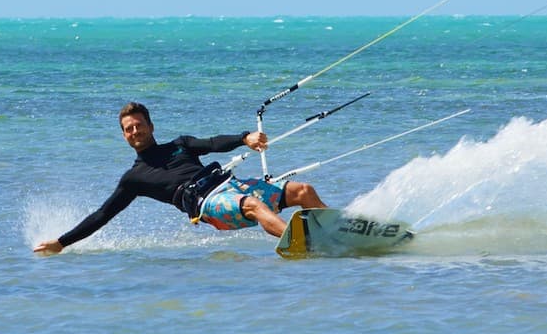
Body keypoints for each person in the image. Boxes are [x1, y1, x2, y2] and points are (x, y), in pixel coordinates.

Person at [33, 101, 328, 253]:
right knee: (252, 205)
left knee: (303, 191)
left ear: (150, 125)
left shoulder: (180, 144)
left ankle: (339, 232)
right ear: (124, 136)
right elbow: (102, 214)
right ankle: (302, 245)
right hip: (208, 206)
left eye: (139, 125)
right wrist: (62, 242)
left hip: (231, 185)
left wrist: (244, 138)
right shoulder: (134, 178)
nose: (135, 131)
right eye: (129, 129)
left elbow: (213, 143)